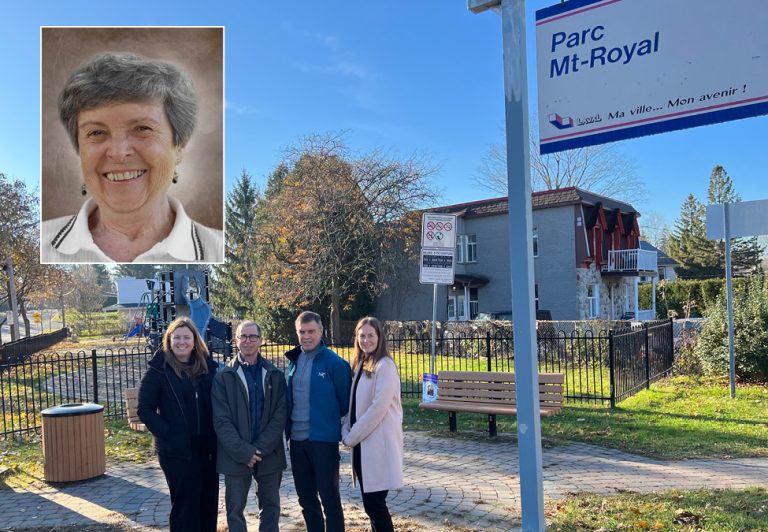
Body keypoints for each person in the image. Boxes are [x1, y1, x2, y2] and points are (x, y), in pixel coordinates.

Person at [41, 51, 222, 263]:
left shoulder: (221, 250)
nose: (118, 153)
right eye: (97, 133)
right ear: (79, 149)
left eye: (142, 128)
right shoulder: (38, 244)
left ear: (180, 145)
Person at [137, 316, 219, 532]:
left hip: (207, 450)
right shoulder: (159, 370)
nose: (182, 342)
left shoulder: (207, 367)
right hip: (177, 452)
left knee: (208, 505)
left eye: (187, 337)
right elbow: (145, 409)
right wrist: (169, 433)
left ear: (195, 340)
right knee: (185, 508)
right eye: (177, 337)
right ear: (169, 340)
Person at [212, 320, 288, 532]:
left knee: (271, 507)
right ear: (235, 340)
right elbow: (221, 420)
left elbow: (279, 416)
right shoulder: (223, 377)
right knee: (235, 510)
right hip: (235, 455)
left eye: (253, 336)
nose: (248, 341)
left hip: (269, 453)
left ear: (261, 341)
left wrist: (259, 449)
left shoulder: (275, 375)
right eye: (243, 336)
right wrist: (244, 451)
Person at [285, 311, 352, 532]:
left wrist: (327, 421)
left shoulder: (335, 363)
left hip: (324, 441)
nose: (306, 336)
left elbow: (345, 402)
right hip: (297, 441)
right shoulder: (294, 361)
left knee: (329, 499)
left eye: (311, 331)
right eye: (302, 332)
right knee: (306, 499)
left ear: (321, 332)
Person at [342, 317, 403, 532]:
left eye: (370, 335)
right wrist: (346, 427)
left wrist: (351, 436)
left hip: (377, 446)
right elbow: (355, 404)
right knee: (372, 506)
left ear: (380, 337)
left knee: (375, 505)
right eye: (362, 336)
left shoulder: (385, 365)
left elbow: (378, 408)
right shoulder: (361, 363)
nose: (366, 340)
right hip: (362, 445)